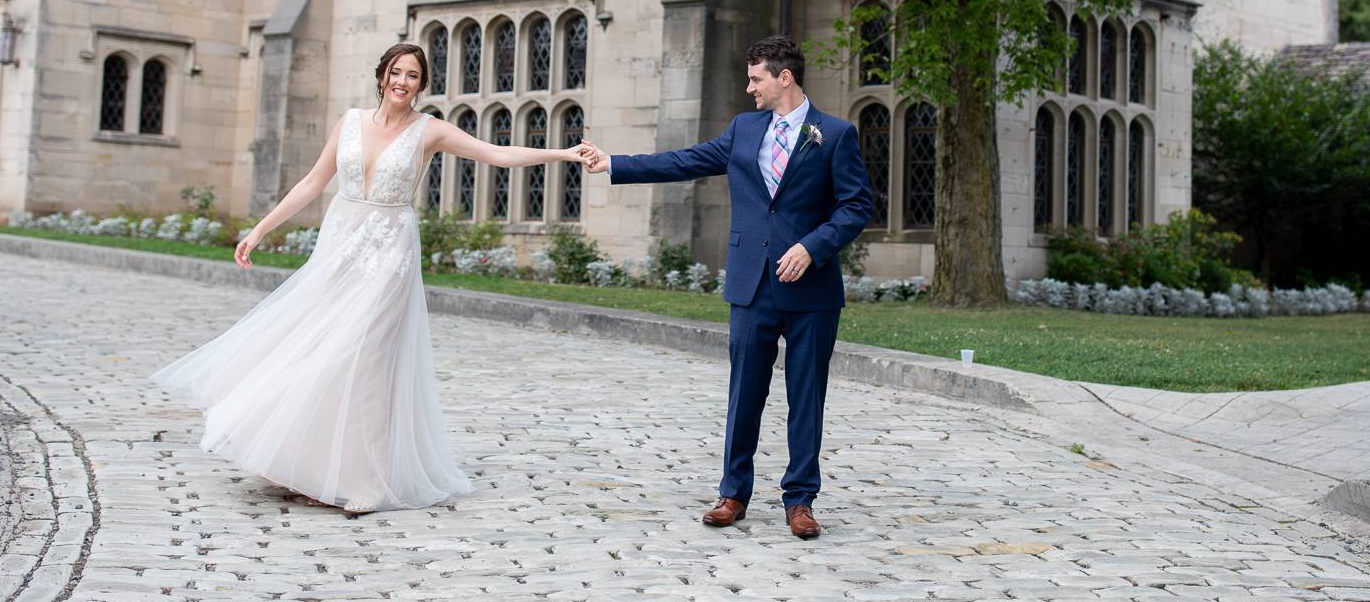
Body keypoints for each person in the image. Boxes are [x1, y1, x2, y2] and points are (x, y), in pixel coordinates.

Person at [150, 42, 583, 513]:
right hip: (339, 251)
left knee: (367, 363)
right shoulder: (349, 122)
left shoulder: (429, 131)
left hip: (389, 258)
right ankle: (304, 461)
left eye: (412, 75)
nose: (402, 81)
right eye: (396, 72)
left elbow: (497, 154)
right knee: (316, 349)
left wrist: (564, 153)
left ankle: (367, 481)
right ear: (382, 76)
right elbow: (313, 183)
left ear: (421, 84)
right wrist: (259, 229)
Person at [577, 35, 873, 538]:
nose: (748, 86)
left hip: (812, 289)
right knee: (744, 394)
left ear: (785, 78)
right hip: (751, 284)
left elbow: (857, 206)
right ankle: (733, 493)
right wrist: (615, 164)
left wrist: (813, 246)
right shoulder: (743, 128)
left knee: (807, 396)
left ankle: (800, 500)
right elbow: (686, 160)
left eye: (756, 77)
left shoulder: (836, 134)